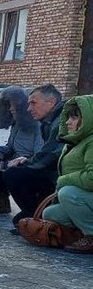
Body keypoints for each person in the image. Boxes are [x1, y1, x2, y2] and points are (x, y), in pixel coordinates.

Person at [3, 84, 67, 228]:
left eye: (33, 103)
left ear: (50, 102)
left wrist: (26, 163)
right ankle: (34, 211)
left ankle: (36, 214)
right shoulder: (49, 120)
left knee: (13, 175)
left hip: (61, 174)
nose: (28, 108)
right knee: (11, 171)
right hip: (54, 170)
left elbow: (52, 154)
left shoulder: (61, 121)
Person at [0, 86, 43, 214]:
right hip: (14, 160)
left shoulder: (37, 126)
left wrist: (8, 164)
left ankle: (30, 209)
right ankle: (1, 201)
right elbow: (11, 146)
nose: (11, 108)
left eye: (13, 105)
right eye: (9, 105)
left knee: (3, 173)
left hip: (26, 164)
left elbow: (39, 153)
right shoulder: (16, 124)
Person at [41, 95, 93, 253]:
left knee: (68, 193)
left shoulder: (91, 142)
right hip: (85, 197)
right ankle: (82, 231)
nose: (68, 122)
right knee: (50, 213)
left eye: (74, 117)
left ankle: (91, 235)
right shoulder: (76, 140)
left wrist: (64, 180)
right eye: (68, 117)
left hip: (83, 194)